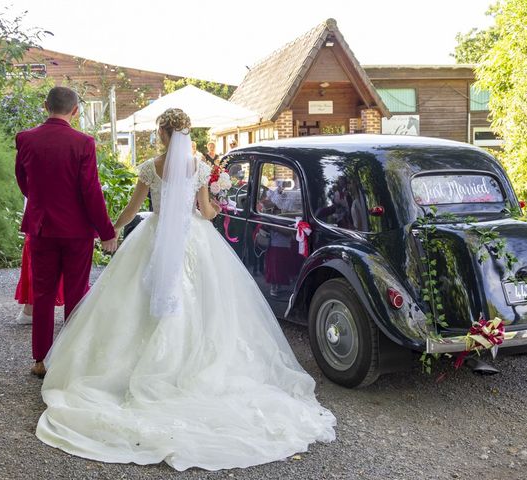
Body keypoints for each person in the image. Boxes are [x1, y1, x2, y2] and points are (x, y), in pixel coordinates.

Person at [36, 108, 335, 471]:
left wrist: (112, 229)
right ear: (186, 134)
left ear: (162, 133)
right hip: (195, 240)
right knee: (207, 307)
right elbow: (206, 211)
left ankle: (126, 369)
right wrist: (217, 207)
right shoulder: (200, 168)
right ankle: (190, 370)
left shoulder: (150, 167)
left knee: (134, 302)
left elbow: (133, 210)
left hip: (155, 237)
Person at [15, 86, 117, 378]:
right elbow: (90, 191)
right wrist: (106, 230)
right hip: (77, 231)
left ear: (45, 105)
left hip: (42, 227)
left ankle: (41, 360)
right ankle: (70, 360)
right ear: (75, 111)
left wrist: (40, 204)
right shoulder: (83, 143)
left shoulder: (25, 139)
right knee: (75, 294)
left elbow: (23, 180)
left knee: (44, 294)